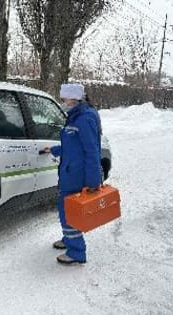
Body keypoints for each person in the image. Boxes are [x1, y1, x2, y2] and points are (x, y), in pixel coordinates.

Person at [44, 83, 102, 265]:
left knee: (69, 213)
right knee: (66, 211)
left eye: (64, 98)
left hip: (77, 176)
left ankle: (76, 252)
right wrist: (53, 149)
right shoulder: (76, 116)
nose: (62, 102)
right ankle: (69, 239)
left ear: (74, 98)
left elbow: (92, 152)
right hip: (70, 172)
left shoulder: (85, 118)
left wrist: (93, 182)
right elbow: (72, 145)